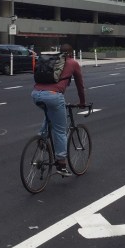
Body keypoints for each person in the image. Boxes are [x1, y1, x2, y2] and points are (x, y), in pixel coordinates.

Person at [32, 43, 87, 176]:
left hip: (35, 94)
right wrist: (82, 102)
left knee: (50, 112)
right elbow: (80, 86)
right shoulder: (73, 63)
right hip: (54, 96)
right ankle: (61, 164)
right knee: (60, 131)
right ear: (72, 53)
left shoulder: (51, 61)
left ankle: (42, 137)